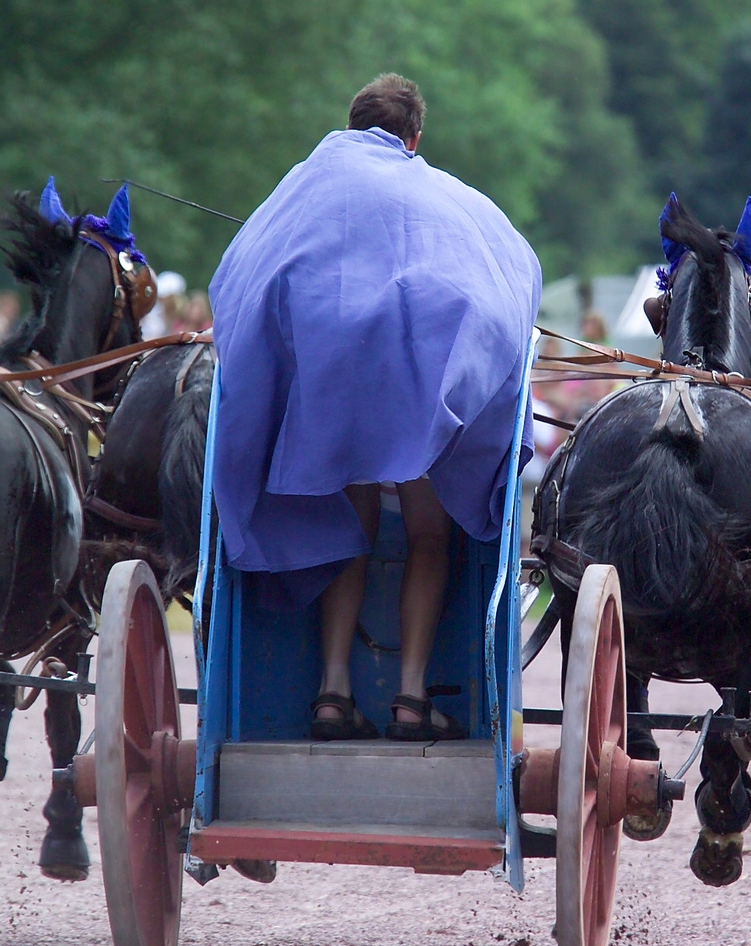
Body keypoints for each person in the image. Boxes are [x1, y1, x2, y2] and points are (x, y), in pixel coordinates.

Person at [209, 73, 540, 741]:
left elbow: (236, 282)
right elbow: (499, 285)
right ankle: (411, 698)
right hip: (415, 397)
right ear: (412, 137)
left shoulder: (300, 187)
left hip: (329, 398)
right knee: (427, 534)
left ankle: (332, 691)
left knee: (349, 528)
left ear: (354, 121)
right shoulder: (444, 197)